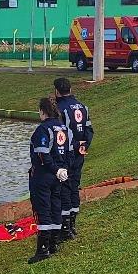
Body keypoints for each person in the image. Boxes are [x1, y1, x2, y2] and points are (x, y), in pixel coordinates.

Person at [27, 97, 70, 264]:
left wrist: (55, 169)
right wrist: (63, 169)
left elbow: (42, 155)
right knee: (56, 207)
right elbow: (67, 152)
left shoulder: (43, 130)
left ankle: (42, 249)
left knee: (43, 210)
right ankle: (53, 244)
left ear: (42, 111)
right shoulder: (63, 128)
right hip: (59, 176)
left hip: (44, 176)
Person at [54, 78, 93, 242]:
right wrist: (83, 147)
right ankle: (72, 226)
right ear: (70, 89)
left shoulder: (59, 109)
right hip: (80, 153)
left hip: (66, 154)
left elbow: (61, 135)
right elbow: (89, 130)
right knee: (74, 186)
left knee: (64, 188)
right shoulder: (83, 107)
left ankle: (65, 228)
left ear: (56, 90)